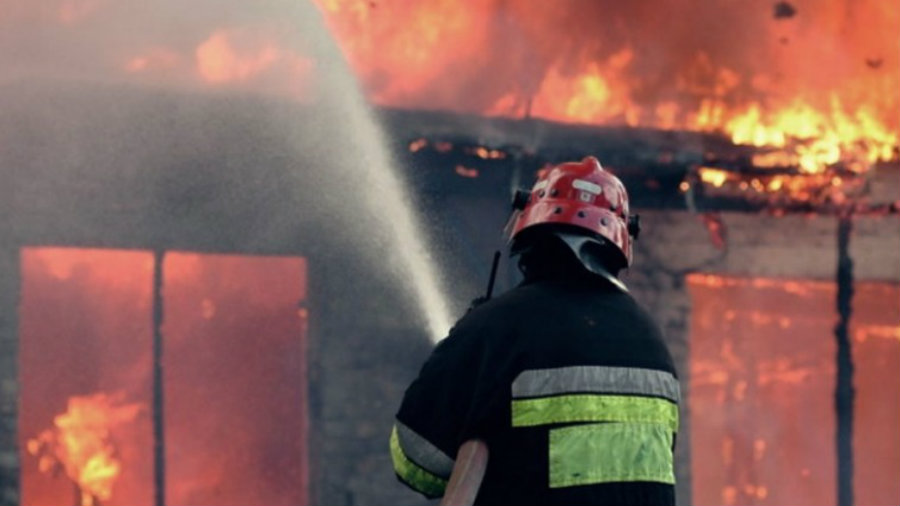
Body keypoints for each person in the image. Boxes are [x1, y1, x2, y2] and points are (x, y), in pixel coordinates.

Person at [390, 156, 680, 506]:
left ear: (530, 227)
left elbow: (417, 463)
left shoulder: (495, 327)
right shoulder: (651, 340)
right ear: (621, 240)